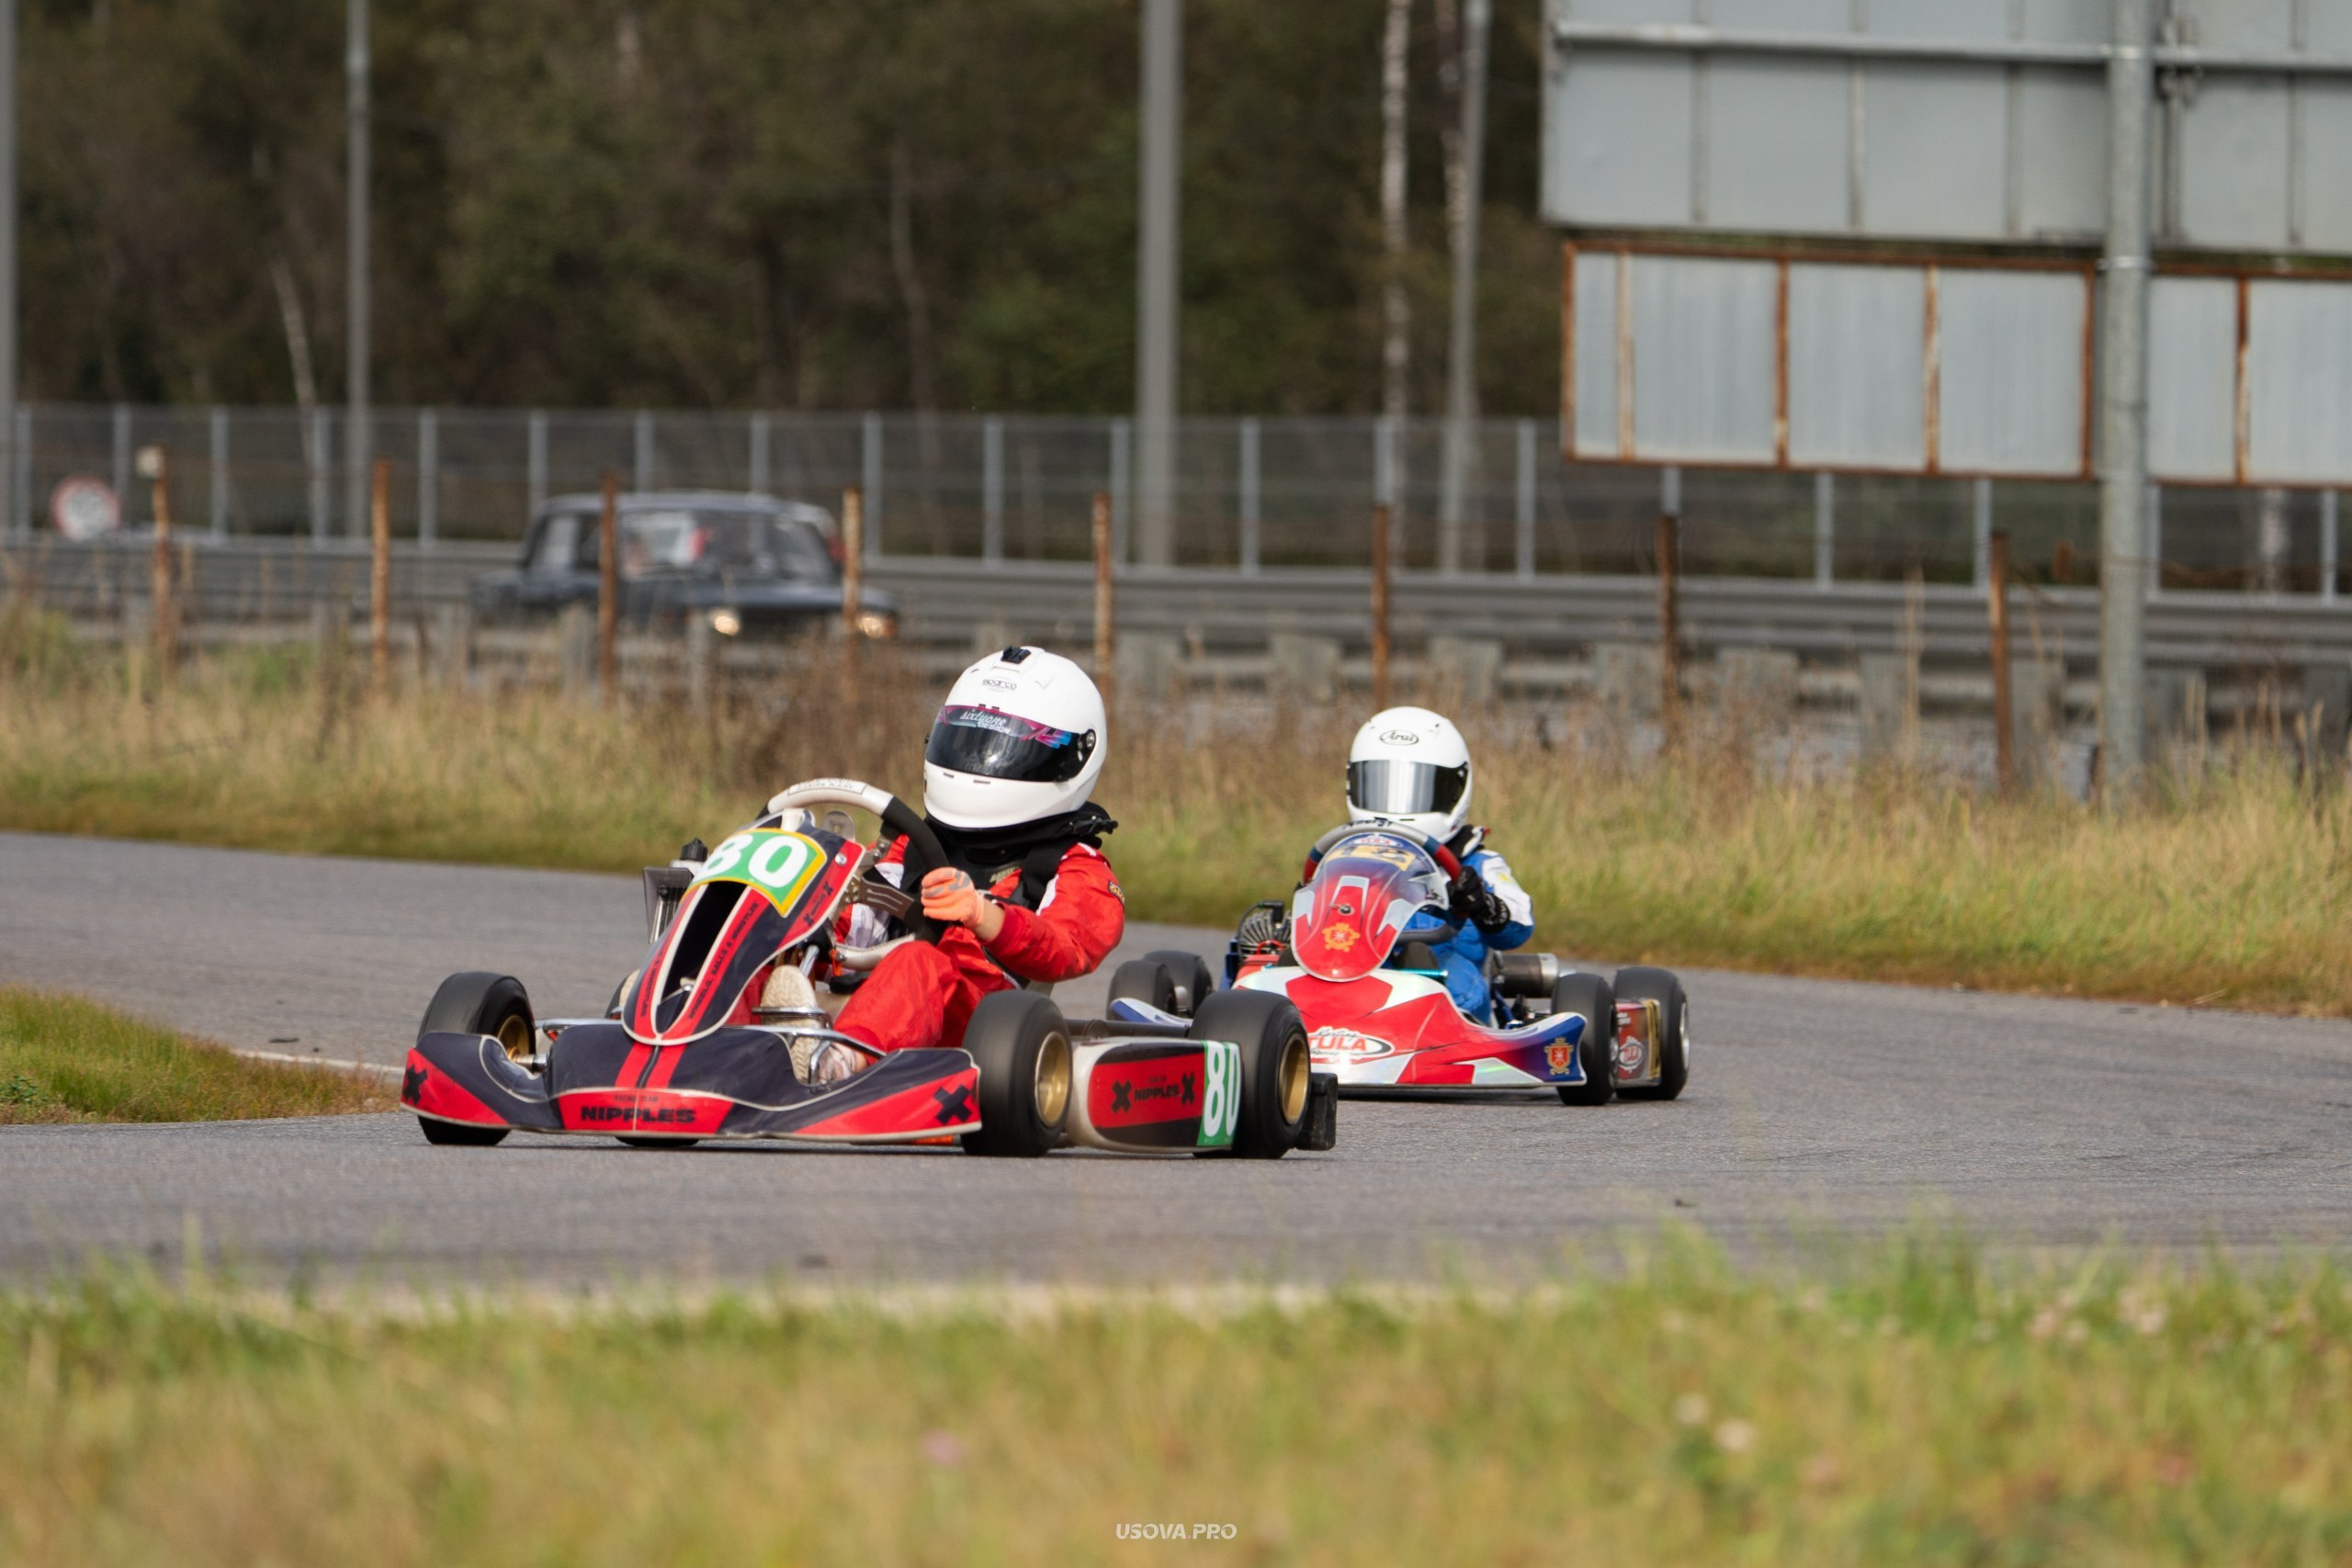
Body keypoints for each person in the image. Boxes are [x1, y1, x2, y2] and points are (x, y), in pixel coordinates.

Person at [808, 646, 1125, 1079]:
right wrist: (809, 925)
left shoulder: (1073, 864)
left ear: (1069, 758)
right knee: (777, 944)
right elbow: (854, 925)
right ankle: (710, 1041)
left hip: (981, 1034)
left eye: (1006, 744)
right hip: (875, 1003)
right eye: (969, 740)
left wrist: (984, 915)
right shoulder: (912, 845)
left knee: (919, 960)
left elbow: (1065, 949)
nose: (977, 762)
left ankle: (835, 1067)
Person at [1342, 705, 1533, 1023]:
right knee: (1268, 960)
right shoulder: (1344, 857)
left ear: (1454, 789)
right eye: (1381, 784)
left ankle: (1434, 1026)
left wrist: (1483, 903)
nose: (1397, 805)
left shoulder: (1478, 864)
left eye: (1417, 788)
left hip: (1449, 985)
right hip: (1361, 974)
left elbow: (1518, 927)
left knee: (1426, 965)